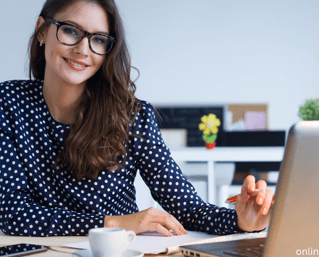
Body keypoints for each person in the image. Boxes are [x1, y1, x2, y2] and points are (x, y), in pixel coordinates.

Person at [0, 0, 274, 237]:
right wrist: (113, 223)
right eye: (70, 31)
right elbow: (13, 213)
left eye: (98, 39)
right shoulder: (8, 103)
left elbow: (189, 209)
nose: (84, 50)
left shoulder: (132, 116)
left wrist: (242, 222)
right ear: (41, 30)